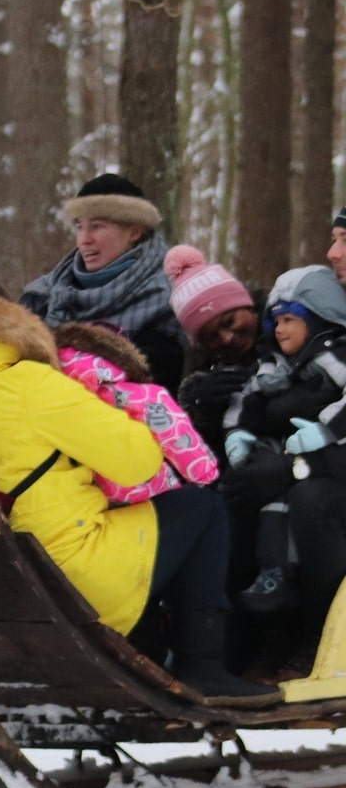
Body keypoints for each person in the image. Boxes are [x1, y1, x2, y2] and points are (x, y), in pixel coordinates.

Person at [0, 294, 276, 704]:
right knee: (202, 509)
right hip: (57, 576)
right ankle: (202, 664)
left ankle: (150, 652)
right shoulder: (29, 384)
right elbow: (136, 462)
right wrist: (125, 406)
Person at [220, 268, 346, 615]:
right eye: (276, 321)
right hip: (287, 453)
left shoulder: (333, 354)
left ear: (320, 320)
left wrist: (326, 431)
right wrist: (237, 432)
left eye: (290, 319)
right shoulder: (277, 364)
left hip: (325, 464)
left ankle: (307, 607)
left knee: (304, 500)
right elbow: (248, 397)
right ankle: (271, 573)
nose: (280, 329)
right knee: (258, 497)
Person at [19, 173, 187, 392]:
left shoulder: (168, 299)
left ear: (135, 231)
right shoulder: (42, 296)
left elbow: (154, 388)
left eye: (97, 226)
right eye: (79, 226)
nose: (84, 239)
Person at [52, 321, 218, 505]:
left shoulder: (54, 397)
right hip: (147, 492)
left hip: (89, 504)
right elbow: (174, 431)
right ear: (121, 353)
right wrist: (206, 475)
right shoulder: (131, 394)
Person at [166, 246, 259, 460]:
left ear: (247, 305)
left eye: (229, 321)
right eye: (210, 337)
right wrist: (202, 410)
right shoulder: (202, 374)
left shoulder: (289, 337)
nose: (226, 338)